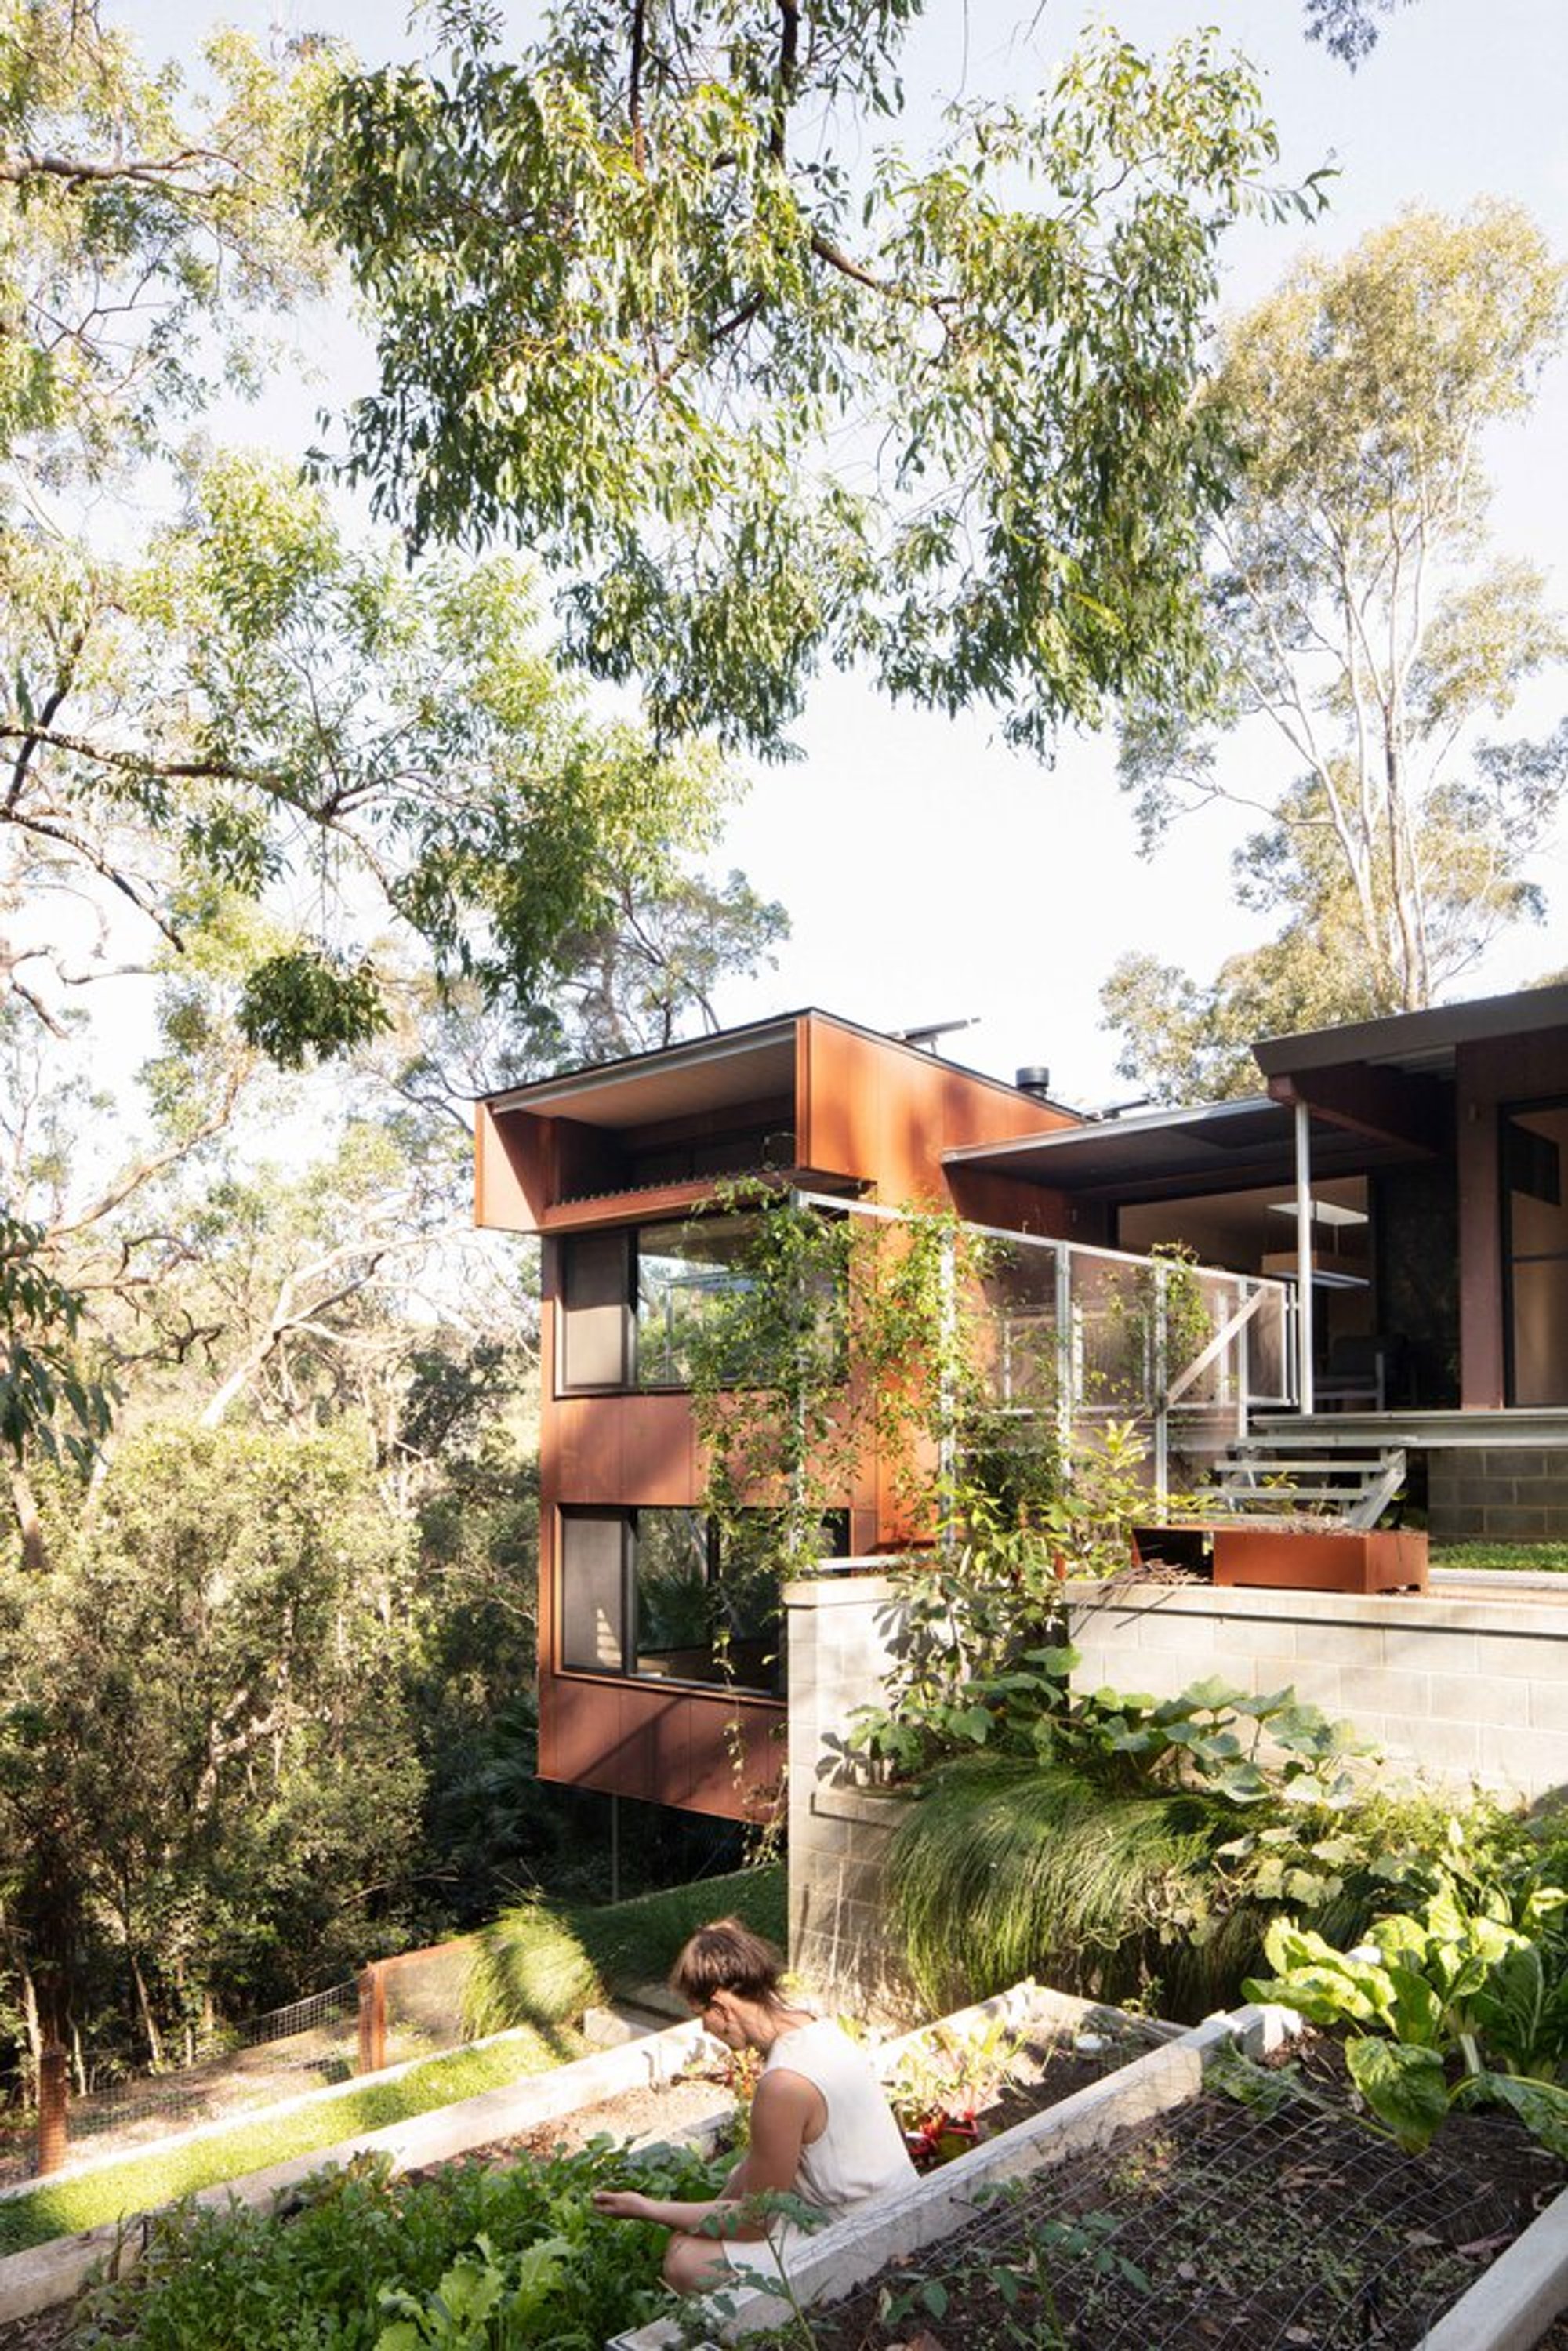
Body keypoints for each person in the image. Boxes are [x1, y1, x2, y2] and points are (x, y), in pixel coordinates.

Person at [591, 1917, 917, 2295]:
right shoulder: (813, 2026)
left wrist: (649, 2209)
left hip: (866, 2239)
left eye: (701, 2016)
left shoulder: (783, 2085)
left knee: (684, 2258)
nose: (704, 2030)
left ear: (722, 2007)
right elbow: (758, 2174)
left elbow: (754, 2222)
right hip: (898, 2205)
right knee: (740, 2178)